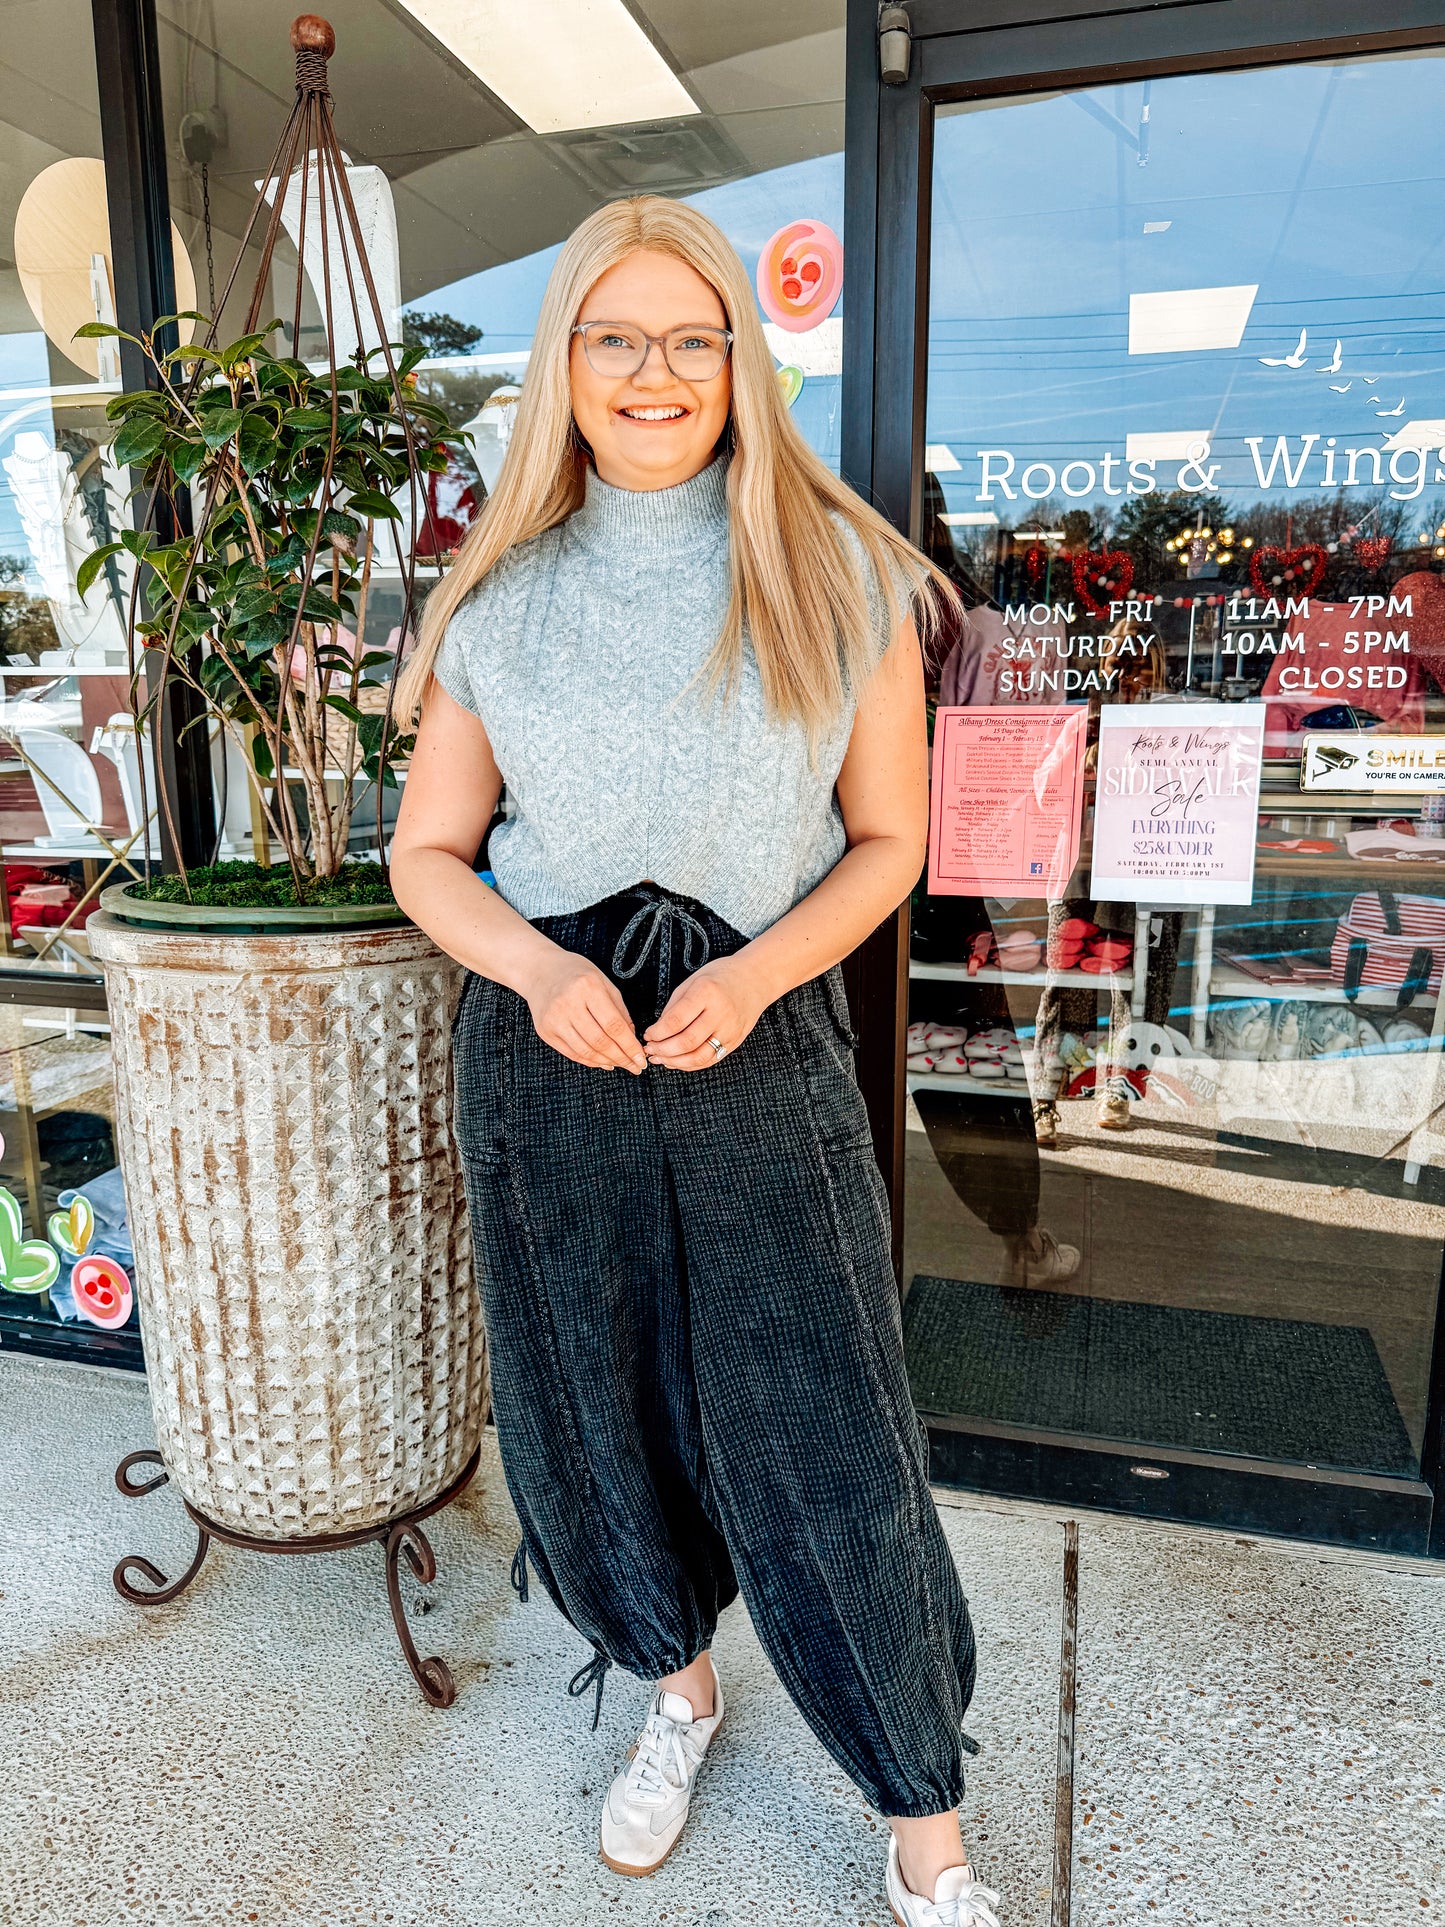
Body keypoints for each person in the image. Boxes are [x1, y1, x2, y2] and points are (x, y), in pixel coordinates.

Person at [389, 195, 1001, 1927]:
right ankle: (672, 1692)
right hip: (551, 1057)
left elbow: (886, 843)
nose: (653, 373)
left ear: (741, 359)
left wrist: (753, 976)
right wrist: (523, 966)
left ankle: (923, 1822)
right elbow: (429, 854)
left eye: (690, 337)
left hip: (759, 1034)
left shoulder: (845, 574)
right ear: (563, 367)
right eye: (612, 337)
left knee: (824, 1436)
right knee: (593, 1415)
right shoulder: (496, 599)